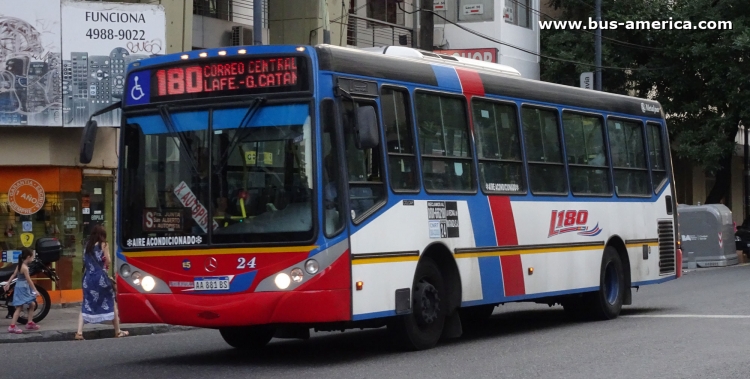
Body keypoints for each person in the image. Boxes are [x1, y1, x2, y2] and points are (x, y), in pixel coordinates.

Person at [75, 225, 128, 340]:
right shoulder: (104, 244)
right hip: (100, 278)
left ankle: (79, 332)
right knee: (111, 301)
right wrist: (105, 265)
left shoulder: (87, 245)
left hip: (88, 278)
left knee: (86, 303)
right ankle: (117, 331)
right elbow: (108, 260)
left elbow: (85, 261)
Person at [3, 248, 40, 333]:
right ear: (28, 257)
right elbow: (29, 280)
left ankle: (29, 323)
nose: (33, 259)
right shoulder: (25, 268)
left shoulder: (19, 265)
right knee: (19, 307)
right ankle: (12, 326)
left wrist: (8, 283)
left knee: (32, 304)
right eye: (32, 257)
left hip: (19, 286)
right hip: (23, 287)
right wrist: (35, 290)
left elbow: (14, 274)